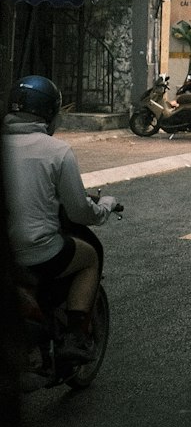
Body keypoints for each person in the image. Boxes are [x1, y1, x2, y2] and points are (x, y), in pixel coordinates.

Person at [2, 75, 118, 363]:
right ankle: (76, 336)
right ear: (50, 113)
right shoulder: (57, 151)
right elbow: (79, 212)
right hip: (37, 252)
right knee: (89, 256)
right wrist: (105, 205)